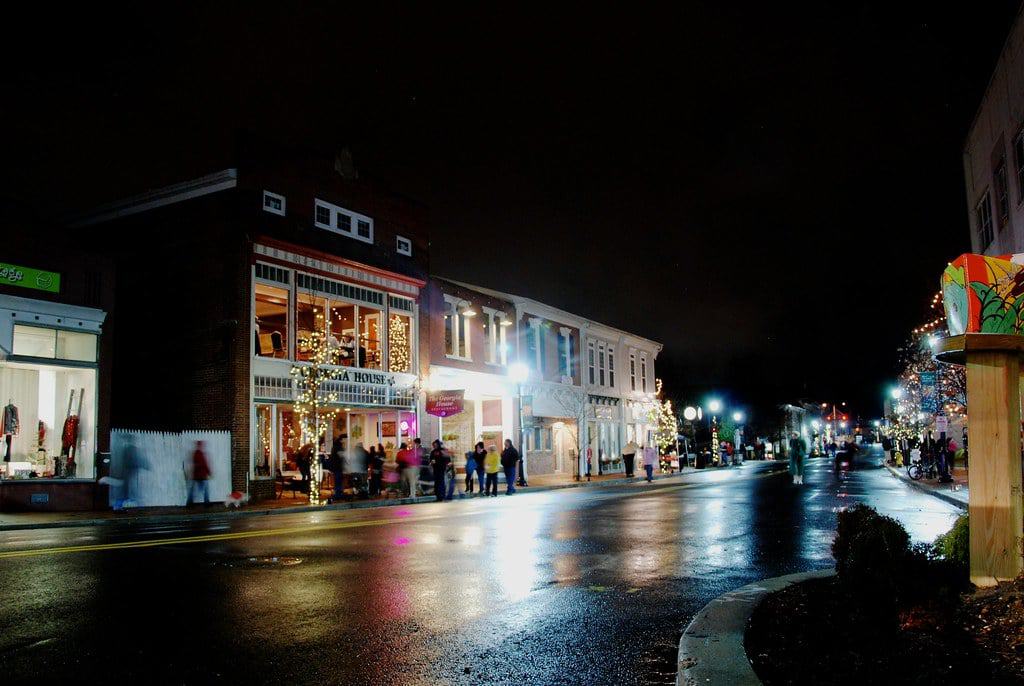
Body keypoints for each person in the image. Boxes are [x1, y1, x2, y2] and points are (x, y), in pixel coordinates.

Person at [187, 440, 212, 505]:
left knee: (192, 489)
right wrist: (209, 472)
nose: (202, 446)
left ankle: (189, 503)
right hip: (202, 475)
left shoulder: (195, 454)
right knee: (206, 489)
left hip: (196, 475)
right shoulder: (200, 454)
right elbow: (204, 464)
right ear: (200, 445)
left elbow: (196, 464)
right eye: (201, 445)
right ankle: (206, 503)